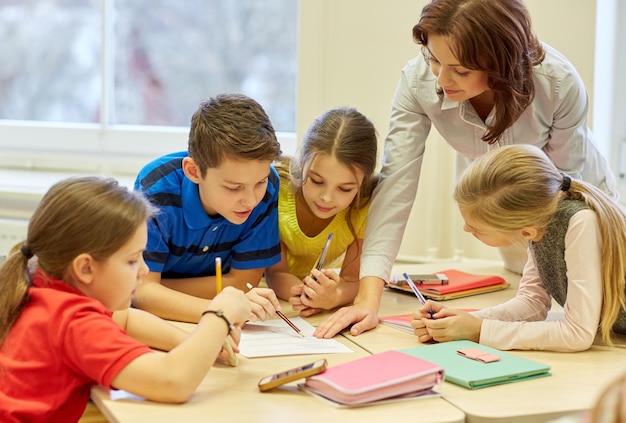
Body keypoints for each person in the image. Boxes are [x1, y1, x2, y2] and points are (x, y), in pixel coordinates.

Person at [312, 0, 618, 339]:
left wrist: (478, 330)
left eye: (461, 70)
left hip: (570, 199)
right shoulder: (418, 83)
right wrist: (368, 299)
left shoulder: (558, 83)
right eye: (434, 59)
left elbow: (558, 195)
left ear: (501, 63)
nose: (442, 80)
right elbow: (395, 185)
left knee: (599, 314)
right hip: (512, 210)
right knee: (533, 290)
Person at [0, 176, 252, 423]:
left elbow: (125, 320)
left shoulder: (42, 284)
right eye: (132, 260)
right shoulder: (73, 320)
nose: (143, 270)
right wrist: (218, 315)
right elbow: (172, 382)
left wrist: (198, 344)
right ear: (85, 268)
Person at [411, 144, 626, 351]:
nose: (466, 229)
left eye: (478, 229)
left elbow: (577, 334)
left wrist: (478, 331)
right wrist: (461, 322)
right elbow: (531, 303)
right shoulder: (540, 219)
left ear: (526, 232)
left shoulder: (580, 223)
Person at [133, 93, 284, 323]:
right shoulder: (156, 189)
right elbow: (141, 294)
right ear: (194, 172)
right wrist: (221, 311)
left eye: (260, 182)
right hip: (163, 321)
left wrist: (157, 288)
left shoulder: (269, 185)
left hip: (188, 315)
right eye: (234, 188)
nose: (252, 201)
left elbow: (243, 282)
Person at [265, 107, 379, 315]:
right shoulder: (277, 191)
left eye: (345, 189)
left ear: (363, 182)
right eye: (317, 181)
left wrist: (333, 296)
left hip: (310, 294)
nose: (327, 198)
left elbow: (353, 280)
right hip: (267, 293)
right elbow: (275, 272)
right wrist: (300, 293)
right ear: (302, 162)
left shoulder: (364, 206)